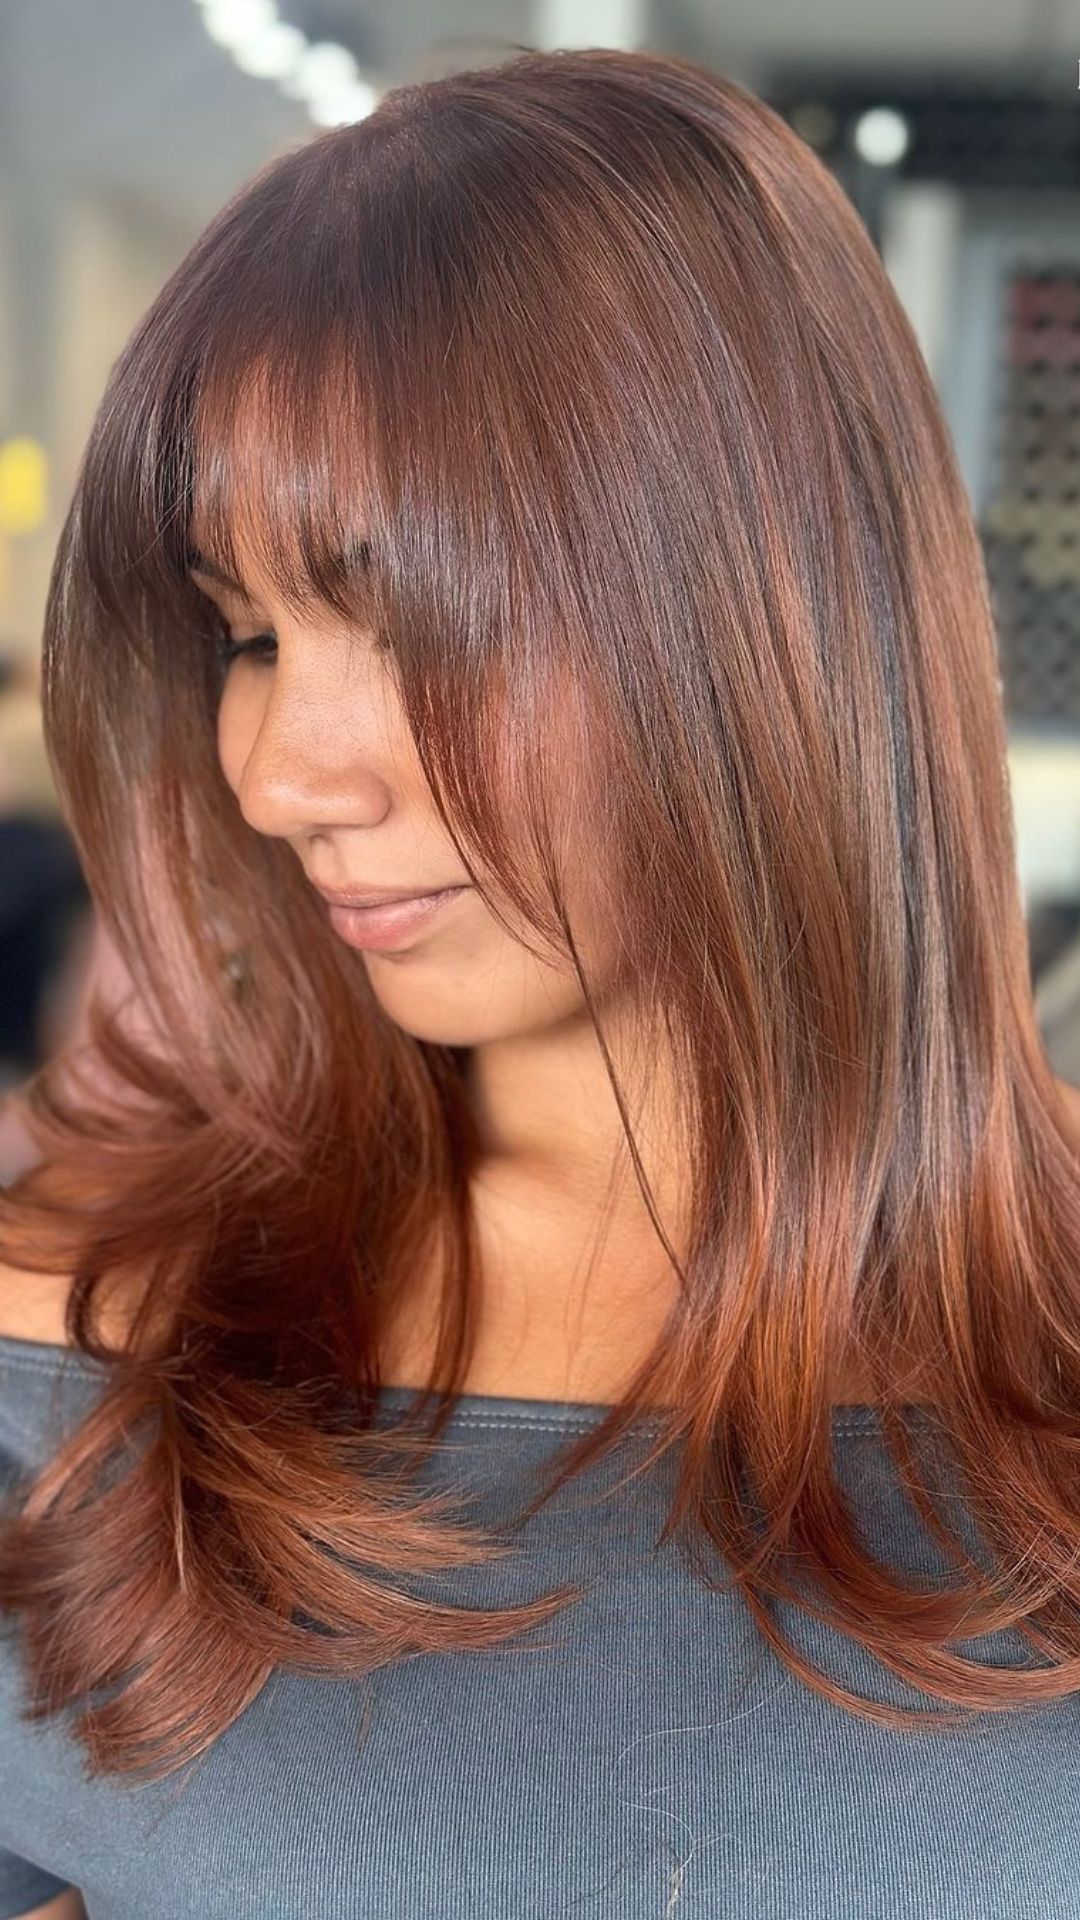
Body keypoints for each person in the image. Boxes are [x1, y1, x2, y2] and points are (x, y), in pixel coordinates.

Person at [0, 44, 1078, 1920]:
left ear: (769, 613)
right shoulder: (72, 1347)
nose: (278, 773)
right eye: (245, 634)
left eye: (421, 620)